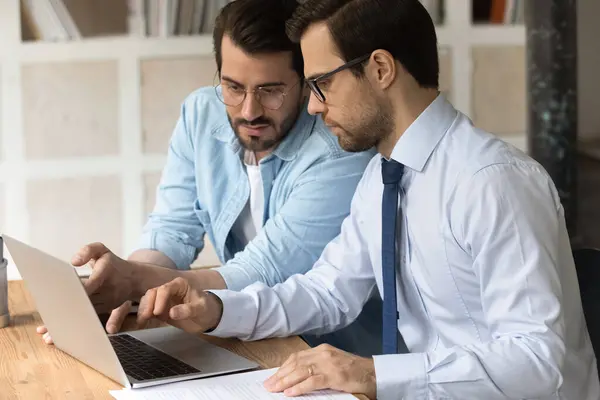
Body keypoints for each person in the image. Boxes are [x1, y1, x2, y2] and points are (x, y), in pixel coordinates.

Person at [135, 0, 600, 399]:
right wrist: (215, 308)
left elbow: (539, 359)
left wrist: (374, 373)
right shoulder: (383, 174)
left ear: (380, 69)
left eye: (322, 83)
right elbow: (329, 289)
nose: (314, 106)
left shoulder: (493, 182)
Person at [37, 0, 377, 355]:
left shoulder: (339, 150)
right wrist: (123, 286)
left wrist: (135, 280)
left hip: (336, 352)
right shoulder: (201, 113)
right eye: (233, 87)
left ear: (305, 84)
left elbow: (264, 268)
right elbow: (172, 228)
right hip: (245, 338)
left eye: (270, 90)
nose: (249, 111)